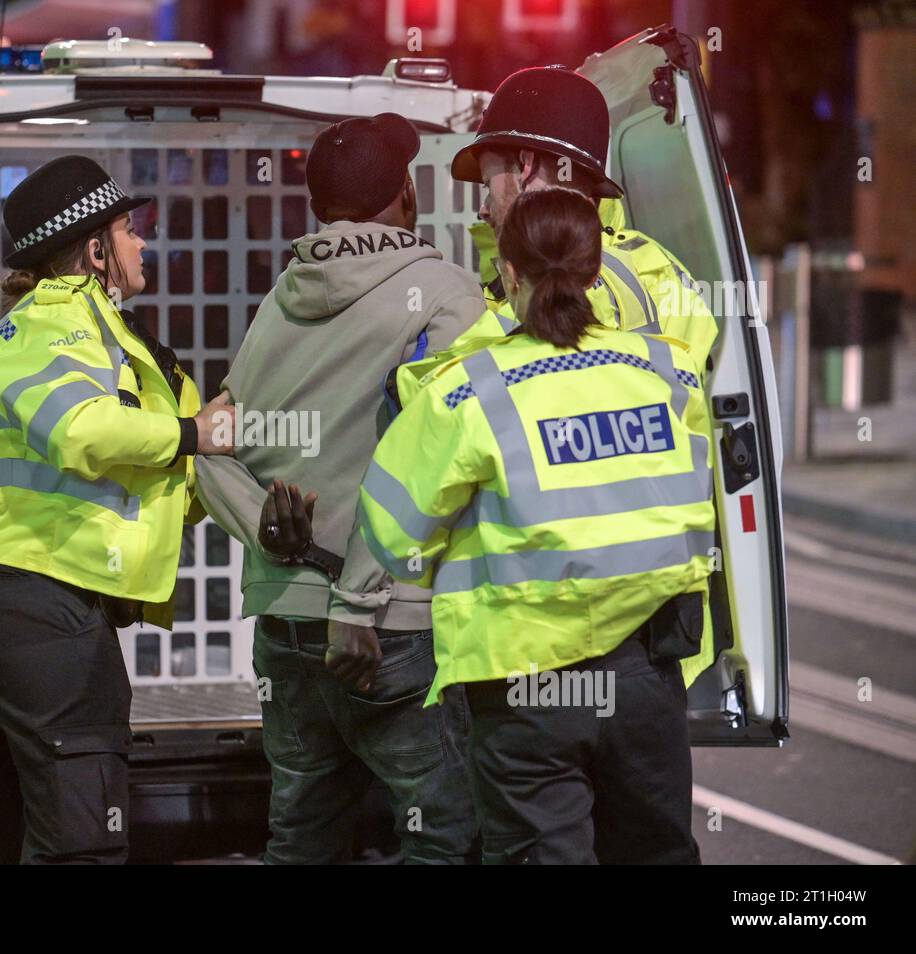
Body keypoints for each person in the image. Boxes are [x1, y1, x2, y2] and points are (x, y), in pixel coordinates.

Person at [357, 187, 715, 864]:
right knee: (657, 852)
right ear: (595, 267)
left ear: (509, 274)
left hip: (526, 688)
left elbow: (390, 528)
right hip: (646, 675)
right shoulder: (668, 370)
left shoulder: (468, 390)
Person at [0, 155, 234, 864]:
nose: (143, 243)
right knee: (81, 841)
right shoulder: (55, 321)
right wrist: (190, 433)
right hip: (33, 612)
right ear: (93, 250)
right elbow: (79, 431)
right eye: (129, 229)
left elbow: (155, 483)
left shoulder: (127, 348)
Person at [194, 113, 482, 864]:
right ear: (408, 198)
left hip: (286, 626)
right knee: (444, 835)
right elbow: (432, 457)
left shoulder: (279, 301)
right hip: (390, 624)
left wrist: (264, 522)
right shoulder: (448, 296)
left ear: (318, 210)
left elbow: (205, 446)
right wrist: (358, 596)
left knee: (301, 836)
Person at [446, 66, 718, 385]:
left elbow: (459, 381)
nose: (484, 209)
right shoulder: (655, 268)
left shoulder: (566, 276)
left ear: (526, 166)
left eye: (487, 184)